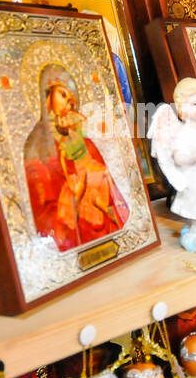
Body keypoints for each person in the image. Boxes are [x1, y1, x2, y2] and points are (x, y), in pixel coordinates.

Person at [23, 64, 131, 252]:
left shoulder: (86, 142)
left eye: (72, 98)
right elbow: (41, 204)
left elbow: (113, 194)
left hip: (99, 224)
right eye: (63, 94)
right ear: (47, 95)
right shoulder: (37, 143)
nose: (69, 102)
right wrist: (72, 195)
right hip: (66, 231)